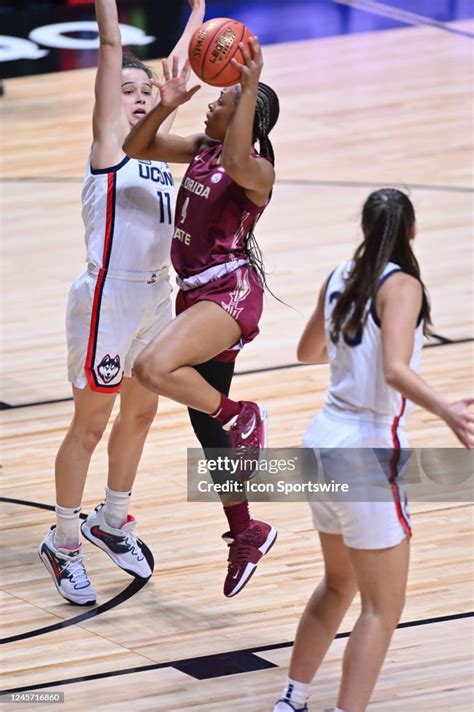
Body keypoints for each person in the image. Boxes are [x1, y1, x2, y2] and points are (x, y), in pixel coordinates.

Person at [272, 188, 474, 712]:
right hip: (366, 447)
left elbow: (306, 351)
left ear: (364, 228)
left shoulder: (340, 275)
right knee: (383, 608)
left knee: (337, 584)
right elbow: (394, 370)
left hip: (321, 439)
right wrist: (448, 409)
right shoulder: (402, 284)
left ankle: (292, 701)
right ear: (411, 231)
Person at [38, 0, 206, 606]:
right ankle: (62, 541)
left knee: (140, 415)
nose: (138, 97)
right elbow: (111, 47)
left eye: (145, 91)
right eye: (127, 91)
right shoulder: (110, 145)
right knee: (91, 424)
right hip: (106, 294)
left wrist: (199, 11)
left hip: (157, 294)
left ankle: (112, 520)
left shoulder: (165, 153)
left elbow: (183, 69)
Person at [123, 38, 280, 597]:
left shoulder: (253, 169)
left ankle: (243, 415)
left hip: (228, 293)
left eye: (223, 100)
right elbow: (135, 146)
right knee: (205, 427)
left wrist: (251, 84)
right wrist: (165, 102)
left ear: (245, 116)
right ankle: (247, 530)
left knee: (151, 367)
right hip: (196, 295)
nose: (211, 102)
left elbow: (240, 158)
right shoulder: (201, 148)